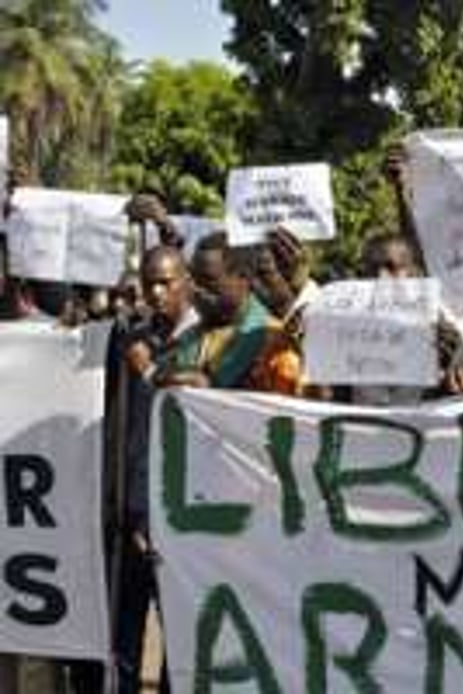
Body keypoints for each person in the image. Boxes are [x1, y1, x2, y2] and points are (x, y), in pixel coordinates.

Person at [113, 245, 197, 693]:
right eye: (150, 284)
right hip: (132, 515)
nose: (158, 292)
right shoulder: (132, 340)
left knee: (179, 641)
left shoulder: (206, 342)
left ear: (186, 281)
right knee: (125, 640)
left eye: (166, 281)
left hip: (182, 520)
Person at [154, 232, 301, 394]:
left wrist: (211, 390)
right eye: (194, 280)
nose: (196, 289)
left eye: (208, 280)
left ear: (243, 278)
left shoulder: (275, 345)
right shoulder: (189, 337)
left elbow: (285, 414)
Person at [342, 232, 463, 405]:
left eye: (392, 268)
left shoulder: (444, 339)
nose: (381, 278)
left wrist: (459, 378)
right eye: (372, 269)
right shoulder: (343, 337)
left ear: (414, 274)